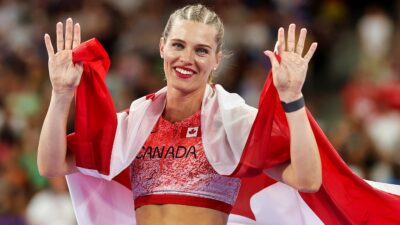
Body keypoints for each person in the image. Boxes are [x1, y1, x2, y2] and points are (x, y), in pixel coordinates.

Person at [37, 4, 322, 225]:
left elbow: (308, 180)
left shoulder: (234, 124)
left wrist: (292, 97)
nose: (186, 59)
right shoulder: (133, 125)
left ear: (216, 59)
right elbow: (51, 166)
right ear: (162, 47)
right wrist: (62, 94)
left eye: (201, 50)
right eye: (178, 45)